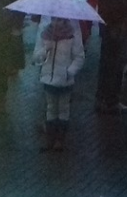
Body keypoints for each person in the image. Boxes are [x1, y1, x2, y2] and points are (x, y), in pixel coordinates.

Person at [32, 18, 86, 151]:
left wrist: (70, 71)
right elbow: (36, 57)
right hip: (48, 79)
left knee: (63, 110)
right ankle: (50, 140)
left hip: (64, 80)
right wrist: (45, 49)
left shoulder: (72, 35)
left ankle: (60, 140)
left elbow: (79, 57)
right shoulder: (45, 34)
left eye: (60, 20)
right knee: (51, 109)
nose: (57, 23)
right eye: (54, 19)